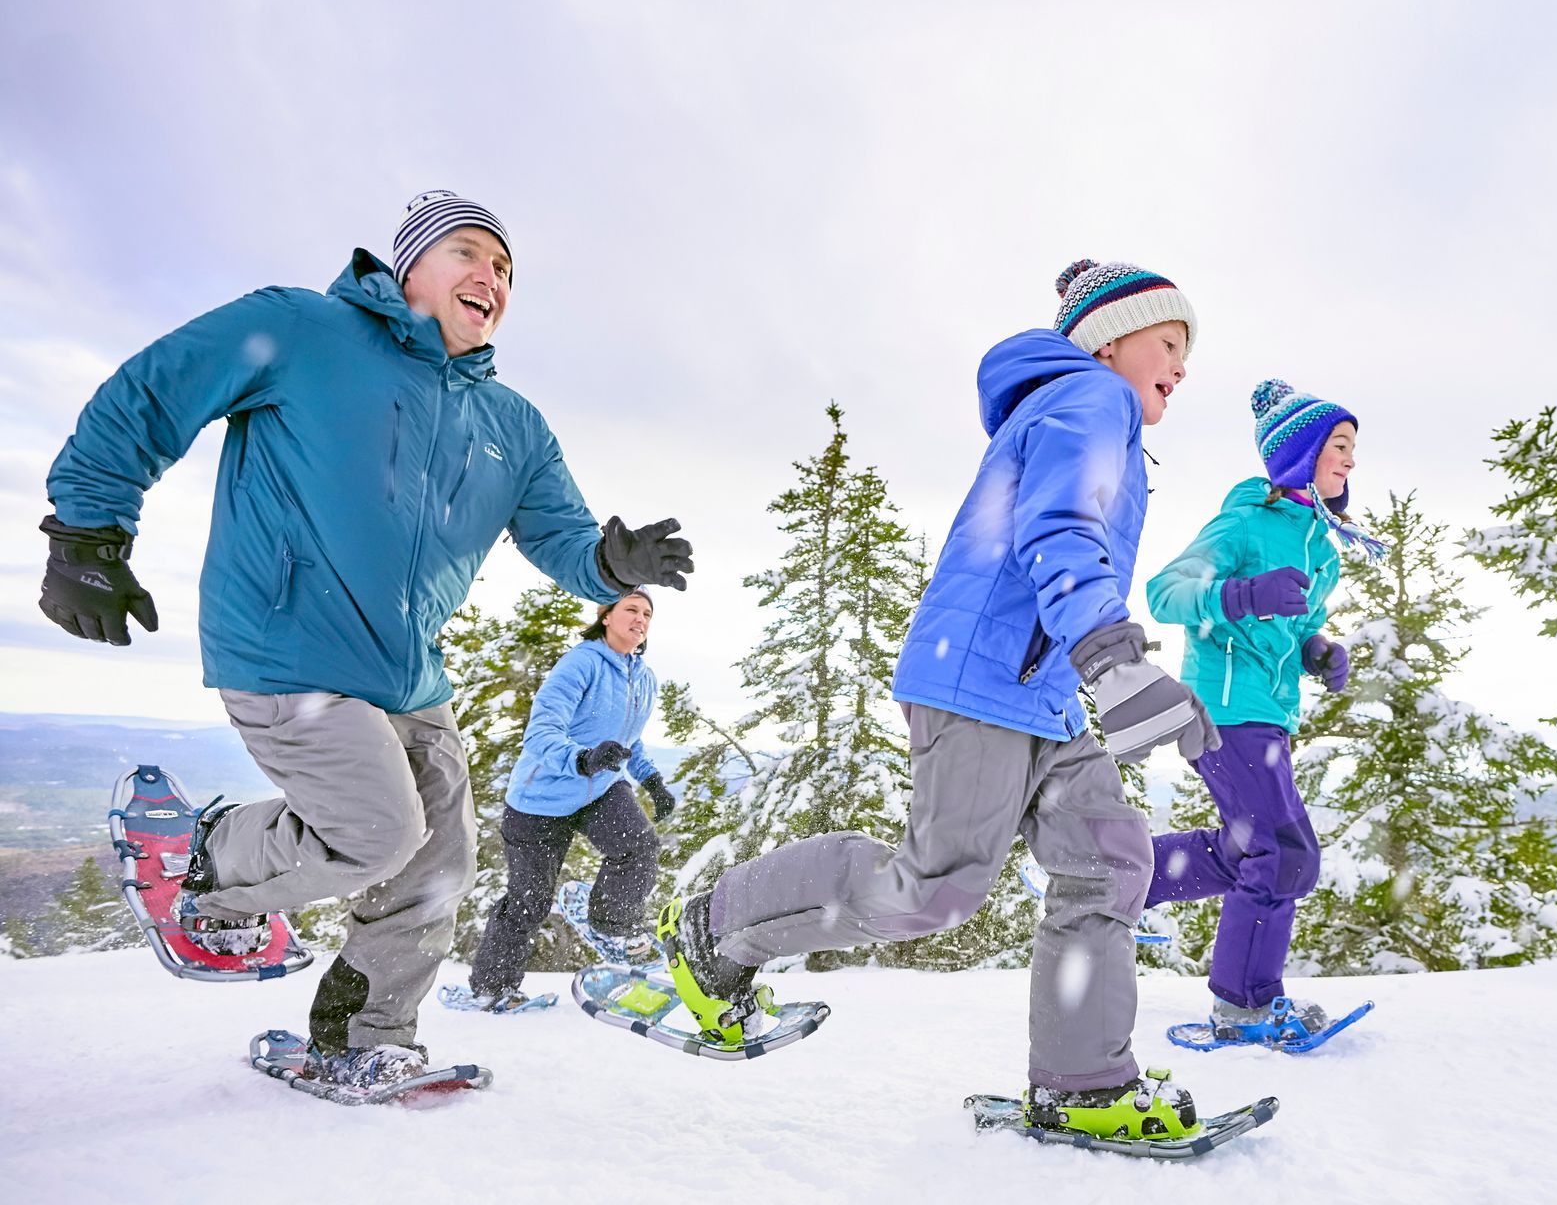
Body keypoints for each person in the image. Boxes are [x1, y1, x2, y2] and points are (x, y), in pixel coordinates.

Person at [38, 189, 694, 1089]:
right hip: (285, 644)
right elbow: (152, 395)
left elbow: (564, 541)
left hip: (407, 672)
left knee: (440, 861)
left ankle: (363, 1033)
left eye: (504, 269)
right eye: (469, 253)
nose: (490, 278)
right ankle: (210, 854)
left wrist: (611, 562)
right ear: (410, 265)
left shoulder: (512, 425)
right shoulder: (303, 332)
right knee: (378, 831)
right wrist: (88, 532)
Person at [656, 258, 1225, 1144]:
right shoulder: (1090, 401)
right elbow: (1060, 527)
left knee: (1108, 859)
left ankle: (1082, 1078)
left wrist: (1106, 669)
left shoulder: (1085, 410)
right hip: (987, 679)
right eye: (1169, 341)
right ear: (1110, 342)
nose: (1183, 366)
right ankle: (715, 925)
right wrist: (1112, 654)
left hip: (1042, 690)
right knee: (936, 888)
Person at [1143, 378, 1384, 1045]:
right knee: (1279, 855)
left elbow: (1294, 624)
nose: (1351, 461)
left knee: (1271, 856)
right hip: (1220, 706)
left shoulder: (1319, 548)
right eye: (1340, 445)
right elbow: (1166, 591)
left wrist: (1315, 651)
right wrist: (1243, 593)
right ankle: (1243, 1005)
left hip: (1268, 714)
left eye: (1353, 449)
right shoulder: (1244, 523)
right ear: (1299, 454)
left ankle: (1119, 876)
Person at [466, 587, 675, 1009]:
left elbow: (630, 739)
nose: (640, 619)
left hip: (598, 789)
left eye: (647, 614)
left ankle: (611, 925)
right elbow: (541, 730)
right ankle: (493, 987)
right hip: (540, 798)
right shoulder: (580, 664)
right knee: (529, 900)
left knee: (639, 845)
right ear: (606, 617)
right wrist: (582, 758)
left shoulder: (643, 676)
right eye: (630, 609)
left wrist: (650, 779)